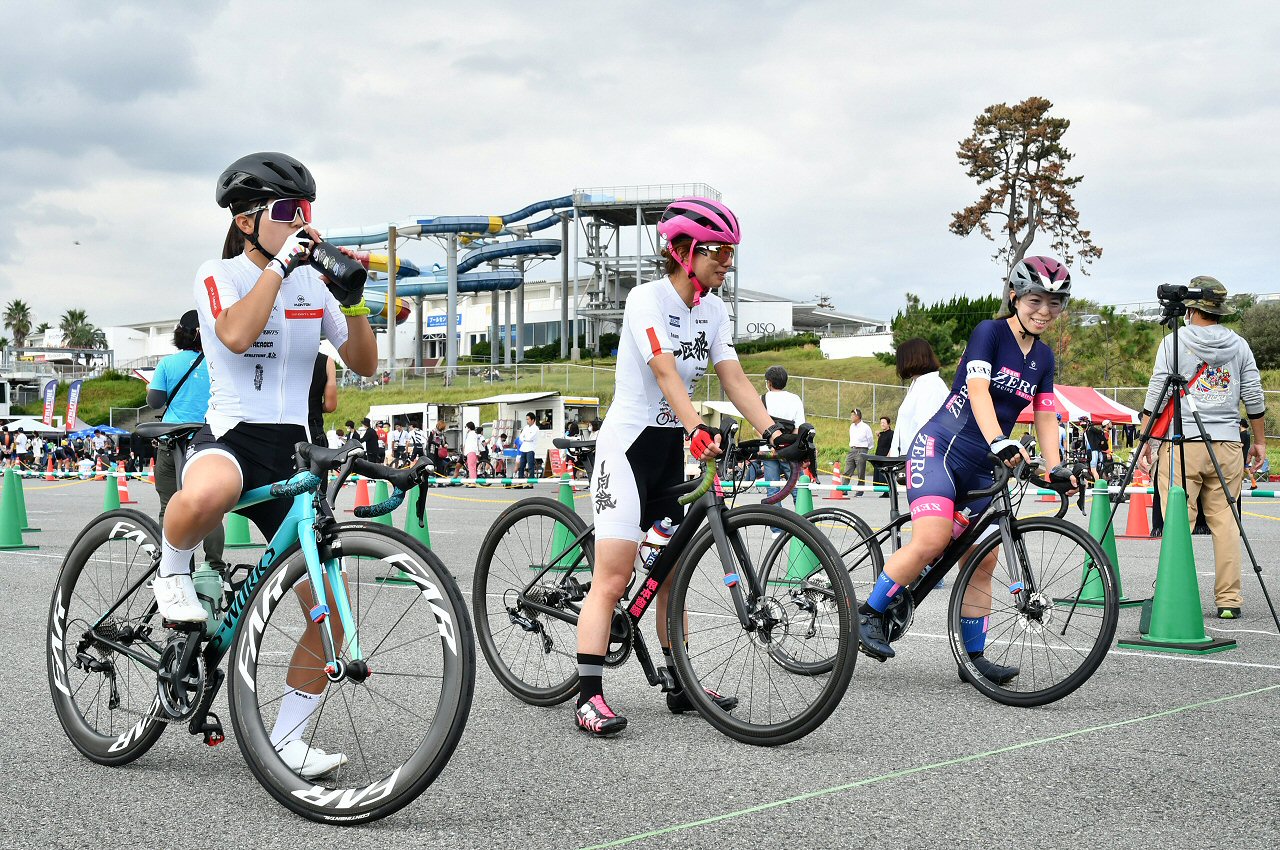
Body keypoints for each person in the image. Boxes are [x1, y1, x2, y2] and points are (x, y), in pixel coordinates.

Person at [151, 152, 377, 778]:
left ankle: (290, 738)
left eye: (306, 211)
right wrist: (281, 266)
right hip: (232, 436)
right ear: (248, 221)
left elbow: (363, 364)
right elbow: (237, 336)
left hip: (296, 447)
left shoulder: (312, 284)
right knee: (213, 489)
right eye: (286, 212)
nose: (301, 221)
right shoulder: (217, 272)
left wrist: (354, 300)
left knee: (328, 606)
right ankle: (171, 573)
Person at [577, 196, 801, 736]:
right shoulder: (644, 299)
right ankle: (587, 697)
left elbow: (733, 378)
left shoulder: (715, 310)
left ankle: (679, 680)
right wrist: (695, 426)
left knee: (671, 573)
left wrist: (770, 428)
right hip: (627, 449)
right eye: (716, 251)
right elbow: (664, 370)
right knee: (613, 577)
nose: (727, 261)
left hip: (668, 451)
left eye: (730, 252)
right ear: (681, 251)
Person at [858, 256, 1076, 686]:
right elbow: (978, 390)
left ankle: (972, 657)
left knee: (983, 559)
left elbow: (1046, 416)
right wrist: (1000, 439)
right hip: (941, 449)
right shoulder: (989, 333)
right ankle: (869, 613)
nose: (1044, 311)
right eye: (1035, 300)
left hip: (984, 465)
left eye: (1054, 303)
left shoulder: (1045, 357)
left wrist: (1056, 466)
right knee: (933, 539)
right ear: (1015, 296)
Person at [1138, 276, 1265, 620]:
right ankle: (1229, 600)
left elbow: (1158, 392)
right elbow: (1253, 395)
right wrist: (1261, 442)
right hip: (1226, 442)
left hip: (1182, 441)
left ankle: (1175, 595)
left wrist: (1147, 438)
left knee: (1180, 519)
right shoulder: (1239, 345)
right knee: (1226, 521)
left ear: (1191, 307)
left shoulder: (1175, 343)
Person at [147, 309, 225, 570]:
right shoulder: (218, 363)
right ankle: (215, 567)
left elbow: (155, 401)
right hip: (207, 444)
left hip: (172, 444)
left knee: (169, 506)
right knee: (211, 509)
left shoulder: (168, 364)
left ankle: (174, 567)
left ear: (180, 335)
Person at [761, 365, 805, 509]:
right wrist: (787, 445)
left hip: (769, 450)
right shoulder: (795, 399)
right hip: (789, 450)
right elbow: (799, 428)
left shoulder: (762, 399)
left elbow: (758, 428)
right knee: (797, 489)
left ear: (769, 383)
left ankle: (776, 529)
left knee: (773, 491)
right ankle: (803, 523)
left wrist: (773, 442)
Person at [307, 352, 337, 449]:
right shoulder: (326, 361)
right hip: (313, 426)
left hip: (278, 426)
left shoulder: (278, 356)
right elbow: (330, 406)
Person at [845, 408, 874, 496]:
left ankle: (860, 490)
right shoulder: (851, 427)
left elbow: (870, 439)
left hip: (862, 449)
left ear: (857, 416)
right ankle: (844, 488)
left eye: (853, 415)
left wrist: (867, 449)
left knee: (860, 471)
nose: (851, 417)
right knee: (848, 469)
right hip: (852, 449)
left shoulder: (865, 427)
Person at [873, 416, 894, 496]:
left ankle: (889, 491)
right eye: (881, 423)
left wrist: (889, 454)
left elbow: (892, 445)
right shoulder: (881, 434)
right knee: (880, 473)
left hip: (886, 456)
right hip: (879, 455)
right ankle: (885, 490)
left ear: (888, 424)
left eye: (884, 423)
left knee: (886, 473)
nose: (882, 424)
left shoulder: (891, 433)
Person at [517, 412, 540, 482]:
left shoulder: (536, 428)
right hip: (524, 448)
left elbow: (530, 438)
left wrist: (524, 437)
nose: (527, 421)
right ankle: (520, 482)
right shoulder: (525, 427)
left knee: (530, 466)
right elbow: (521, 436)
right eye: (526, 419)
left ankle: (531, 483)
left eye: (528, 419)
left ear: (533, 420)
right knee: (521, 466)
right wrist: (524, 438)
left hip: (530, 449)